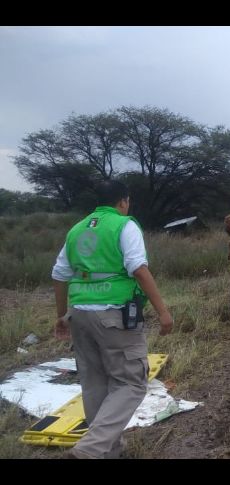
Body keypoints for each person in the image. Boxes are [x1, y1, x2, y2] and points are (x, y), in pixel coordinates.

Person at [51, 180, 173, 459]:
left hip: (79, 314)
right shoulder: (124, 225)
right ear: (123, 202)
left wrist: (61, 316)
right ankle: (90, 449)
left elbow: (59, 274)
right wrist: (163, 312)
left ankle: (109, 450)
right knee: (131, 383)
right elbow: (138, 269)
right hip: (114, 315)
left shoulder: (77, 229)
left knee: (95, 383)